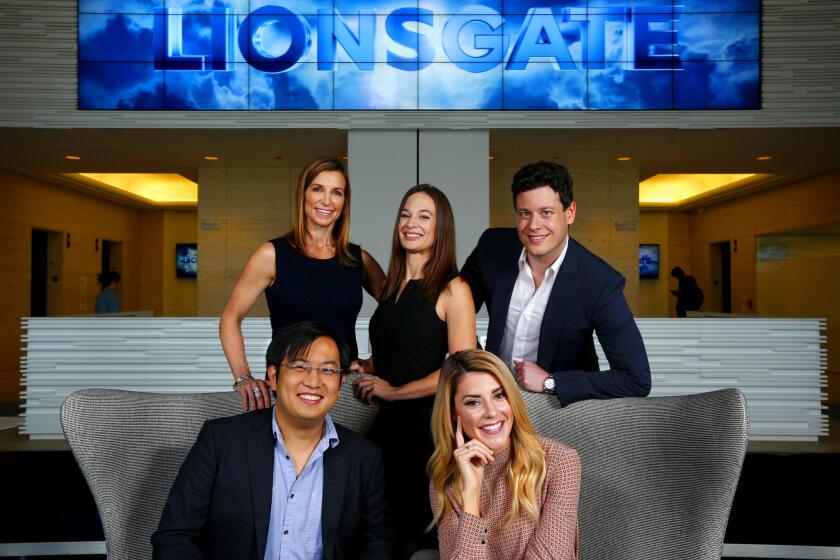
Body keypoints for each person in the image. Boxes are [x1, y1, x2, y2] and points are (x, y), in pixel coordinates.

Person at [152, 321, 392, 559]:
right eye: (300, 366)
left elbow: (377, 542)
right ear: (274, 376)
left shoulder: (364, 457)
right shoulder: (221, 441)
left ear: (340, 384)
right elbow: (175, 536)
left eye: (328, 370)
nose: (313, 381)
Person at [461, 160, 651, 407]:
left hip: (555, 411)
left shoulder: (599, 282)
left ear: (569, 213)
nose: (534, 225)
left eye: (546, 212)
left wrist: (552, 382)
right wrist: (477, 365)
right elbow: (455, 310)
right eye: (524, 214)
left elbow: (635, 379)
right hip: (492, 406)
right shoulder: (493, 247)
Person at [351, 185, 476, 558]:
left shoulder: (454, 288)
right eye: (406, 214)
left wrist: (394, 391)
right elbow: (407, 347)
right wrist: (370, 365)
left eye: (424, 216)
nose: (411, 223)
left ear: (442, 228)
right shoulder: (391, 287)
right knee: (379, 536)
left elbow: (460, 368)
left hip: (430, 433)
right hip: (388, 431)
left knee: (422, 544)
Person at [220, 156, 385, 411]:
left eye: (337, 192)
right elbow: (230, 318)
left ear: (344, 202)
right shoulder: (271, 255)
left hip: (342, 394)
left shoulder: (358, 259)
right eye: (318, 189)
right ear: (303, 195)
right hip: (288, 390)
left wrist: (374, 362)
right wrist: (243, 377)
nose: (327, 201)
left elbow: (400, 315)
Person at [428, 349, 580, 559]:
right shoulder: (446, 481)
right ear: (454, 412)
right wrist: (470, 497)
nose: (491, 412)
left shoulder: (559, 461)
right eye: (473, 402)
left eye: (499, 395)